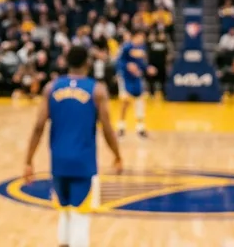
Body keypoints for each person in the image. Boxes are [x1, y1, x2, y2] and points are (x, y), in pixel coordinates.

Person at [23, 45, 122, 247]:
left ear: (66, 61)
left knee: (65, 214)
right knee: (80, 217)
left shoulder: (51, 88)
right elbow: (108, 129)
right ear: (88, 62)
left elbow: (38, 127)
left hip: (58, 161)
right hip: (83, 162)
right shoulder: (97, 90)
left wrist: (28, 160)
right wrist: (117, 154)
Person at [116, 31, 149, 138]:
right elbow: (119, 62)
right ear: (135, 36)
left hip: (136, 78)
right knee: (125, 102)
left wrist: (147, 68)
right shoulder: (126, 47)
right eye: (140, 37)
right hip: (125, 78)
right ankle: (121, 127)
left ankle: (140, 128)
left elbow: (141, 63)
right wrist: (127, 66)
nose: (141, 40)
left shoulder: (142, 48)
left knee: (140, 101)